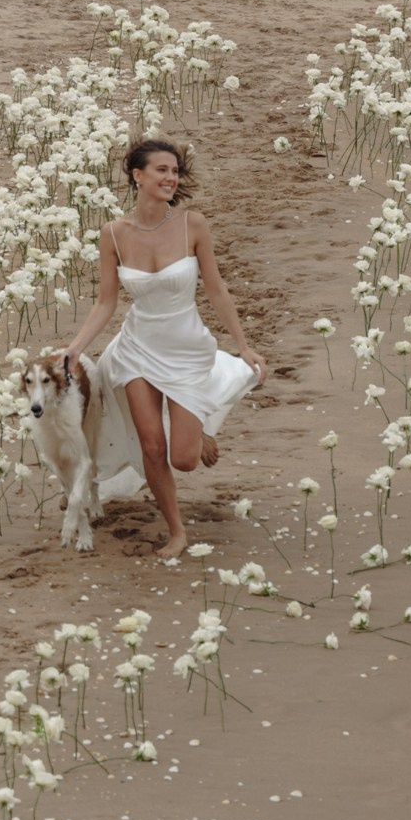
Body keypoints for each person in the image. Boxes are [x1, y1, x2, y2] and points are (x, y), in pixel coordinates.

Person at [56, 135, 261, 560]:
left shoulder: (192, 225)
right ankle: (176, 532)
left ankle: (197, 425)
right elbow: (106, 301)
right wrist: (75, 348)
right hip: (137, 349)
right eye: (162, 170)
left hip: (186, 348)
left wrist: (244, 345)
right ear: (138, 175)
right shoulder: (113, 234)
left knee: (184, 458)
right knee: (151, 446)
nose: (171, 178)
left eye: (174, 171)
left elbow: (217, 290)